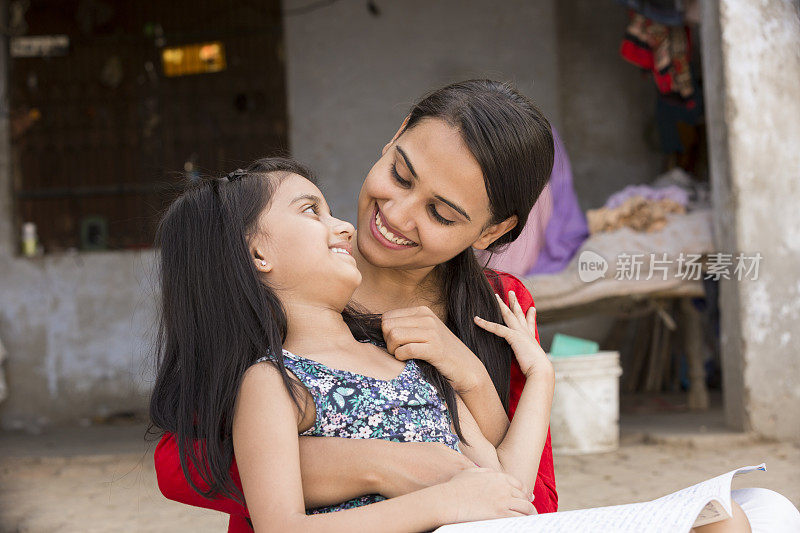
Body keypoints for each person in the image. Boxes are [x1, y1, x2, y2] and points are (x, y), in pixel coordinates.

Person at [154, 79, 561, 531]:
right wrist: (381, 462)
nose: (397, 215)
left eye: (441, 214)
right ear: (396, 134)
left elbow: (526, 498)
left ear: (490, 232)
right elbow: (181, 464)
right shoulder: (271, 292)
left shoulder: (497, 308)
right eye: (400, 175)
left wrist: (472, 377)